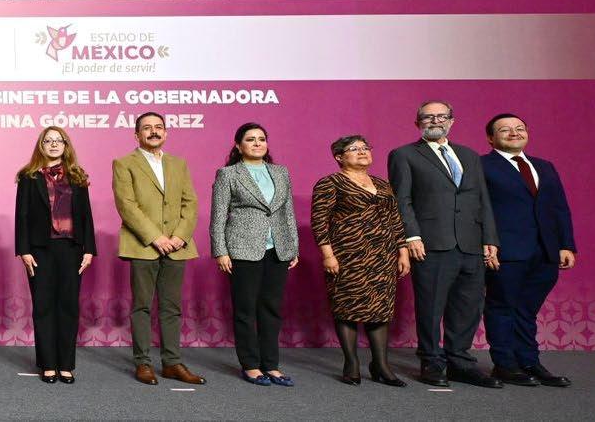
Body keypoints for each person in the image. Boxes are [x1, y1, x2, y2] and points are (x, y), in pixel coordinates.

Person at [387, 100, 501, 388]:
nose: (435, 121)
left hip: (471, 244)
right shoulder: (404, 154)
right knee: (431, 306)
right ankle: (431, 361)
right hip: (431, 243)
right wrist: (411, 236)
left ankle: (460, 363)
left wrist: (490, 238)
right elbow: (401, 199)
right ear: (418, 123)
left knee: (468, 307)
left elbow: (482, 199)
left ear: (452, 121)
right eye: (428, 117)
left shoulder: (469, 155)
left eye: (441, 116)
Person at [481, 114, 577, 387]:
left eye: (519, 128)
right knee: (501, 307)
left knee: (527, 309)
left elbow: (559, 207)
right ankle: (504, 364)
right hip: (506, 250)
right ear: (491, 138)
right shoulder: (481, 166)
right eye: (505, 130)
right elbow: (478, 208)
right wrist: (486, 243)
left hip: (545, 251)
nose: (514, 133)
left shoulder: (544, 166)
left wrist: (566, 245)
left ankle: (529, 362)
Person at [112, 111, 204, 386]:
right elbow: (127, 205)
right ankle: (143, 363)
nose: (154, 131)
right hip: (143, 245)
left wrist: (180, 236)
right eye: (147, 128)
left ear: (166, 132)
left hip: (177, 246)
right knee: (141, 306)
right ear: (136, 134)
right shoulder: (124, 163)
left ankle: (172, 363)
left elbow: (190, 203)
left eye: (159, 127)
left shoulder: (179, 163)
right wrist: (155, 237)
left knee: (171, 307)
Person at [313, 135, 410, 386]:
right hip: (348, 255)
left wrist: (402, 250)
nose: (362, 151)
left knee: (380, 309)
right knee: (347, 307)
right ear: (339, 157)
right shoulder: (330, 183)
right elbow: (319, 222)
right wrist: (327, 255)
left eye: (365, 148)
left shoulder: (382, 184)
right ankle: (351, 363)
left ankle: (381, 365)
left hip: (383, 256)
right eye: (354, 149)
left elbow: (395, 219)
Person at [209, 123, 299, 386]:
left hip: (278, 249)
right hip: (242, 249)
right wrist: (220, 251)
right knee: (245, 309)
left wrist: (293, 246)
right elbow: (218, 216)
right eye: (250, 139)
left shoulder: (281, 172)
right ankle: (250, 365)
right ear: (239, 146)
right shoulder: (228, 174)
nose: (257, 143)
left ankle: (271, 365)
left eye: (261, 139)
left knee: (271, 309)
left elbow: (288, 212)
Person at [14, 126, 95, 385]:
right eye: (48, 140)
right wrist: (23, 250)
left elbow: (86, 215)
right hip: (40, 250)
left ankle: (66, 365)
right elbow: (22, 216)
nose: (53, 144)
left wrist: (89, 249)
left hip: (71, 249)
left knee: (68, 306)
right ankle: (48, 364)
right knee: (44, 306)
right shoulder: (29, 177)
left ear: (65, 145)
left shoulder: (77, 176)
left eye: (58, 140)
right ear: (41, 145)